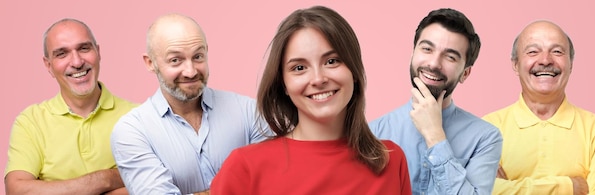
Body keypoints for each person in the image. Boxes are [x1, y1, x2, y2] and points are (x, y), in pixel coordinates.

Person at [210, 6, 411, 194]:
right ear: (284, 84)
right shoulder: (245, 167)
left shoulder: (390, 160)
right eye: (299, 68)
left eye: (332, 61)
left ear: (354, 71)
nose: (318, 79)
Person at [109, 13, 268, 194]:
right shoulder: (132, 131)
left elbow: (274, 184)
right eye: (175, 60)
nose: (190, 71)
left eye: (198, 56)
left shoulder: (249, 111)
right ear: (150, 63)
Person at [369, 8, 503, 194]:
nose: (433, 64)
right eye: (427, 49)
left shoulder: (485, 138)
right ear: (412, 54)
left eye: (450, 57)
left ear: (465, 73)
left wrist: (435, 135)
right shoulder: (373, 133)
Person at [483, 20, 595, 195]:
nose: (545, 60)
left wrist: (508, 189)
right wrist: (568, 187)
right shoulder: (486, 130)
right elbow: (475, 192)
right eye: (533, 51)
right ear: (515, 64)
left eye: (557, 51)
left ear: (571, 64)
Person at [4, 18, 135, 195]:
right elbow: (18, 191)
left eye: (84, 48)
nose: (77, 62)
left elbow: (153, 186)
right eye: (61, 54)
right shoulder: (31, 121)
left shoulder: (138, 116)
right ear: (48, 65)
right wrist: (106, 179)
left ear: (98, 52)